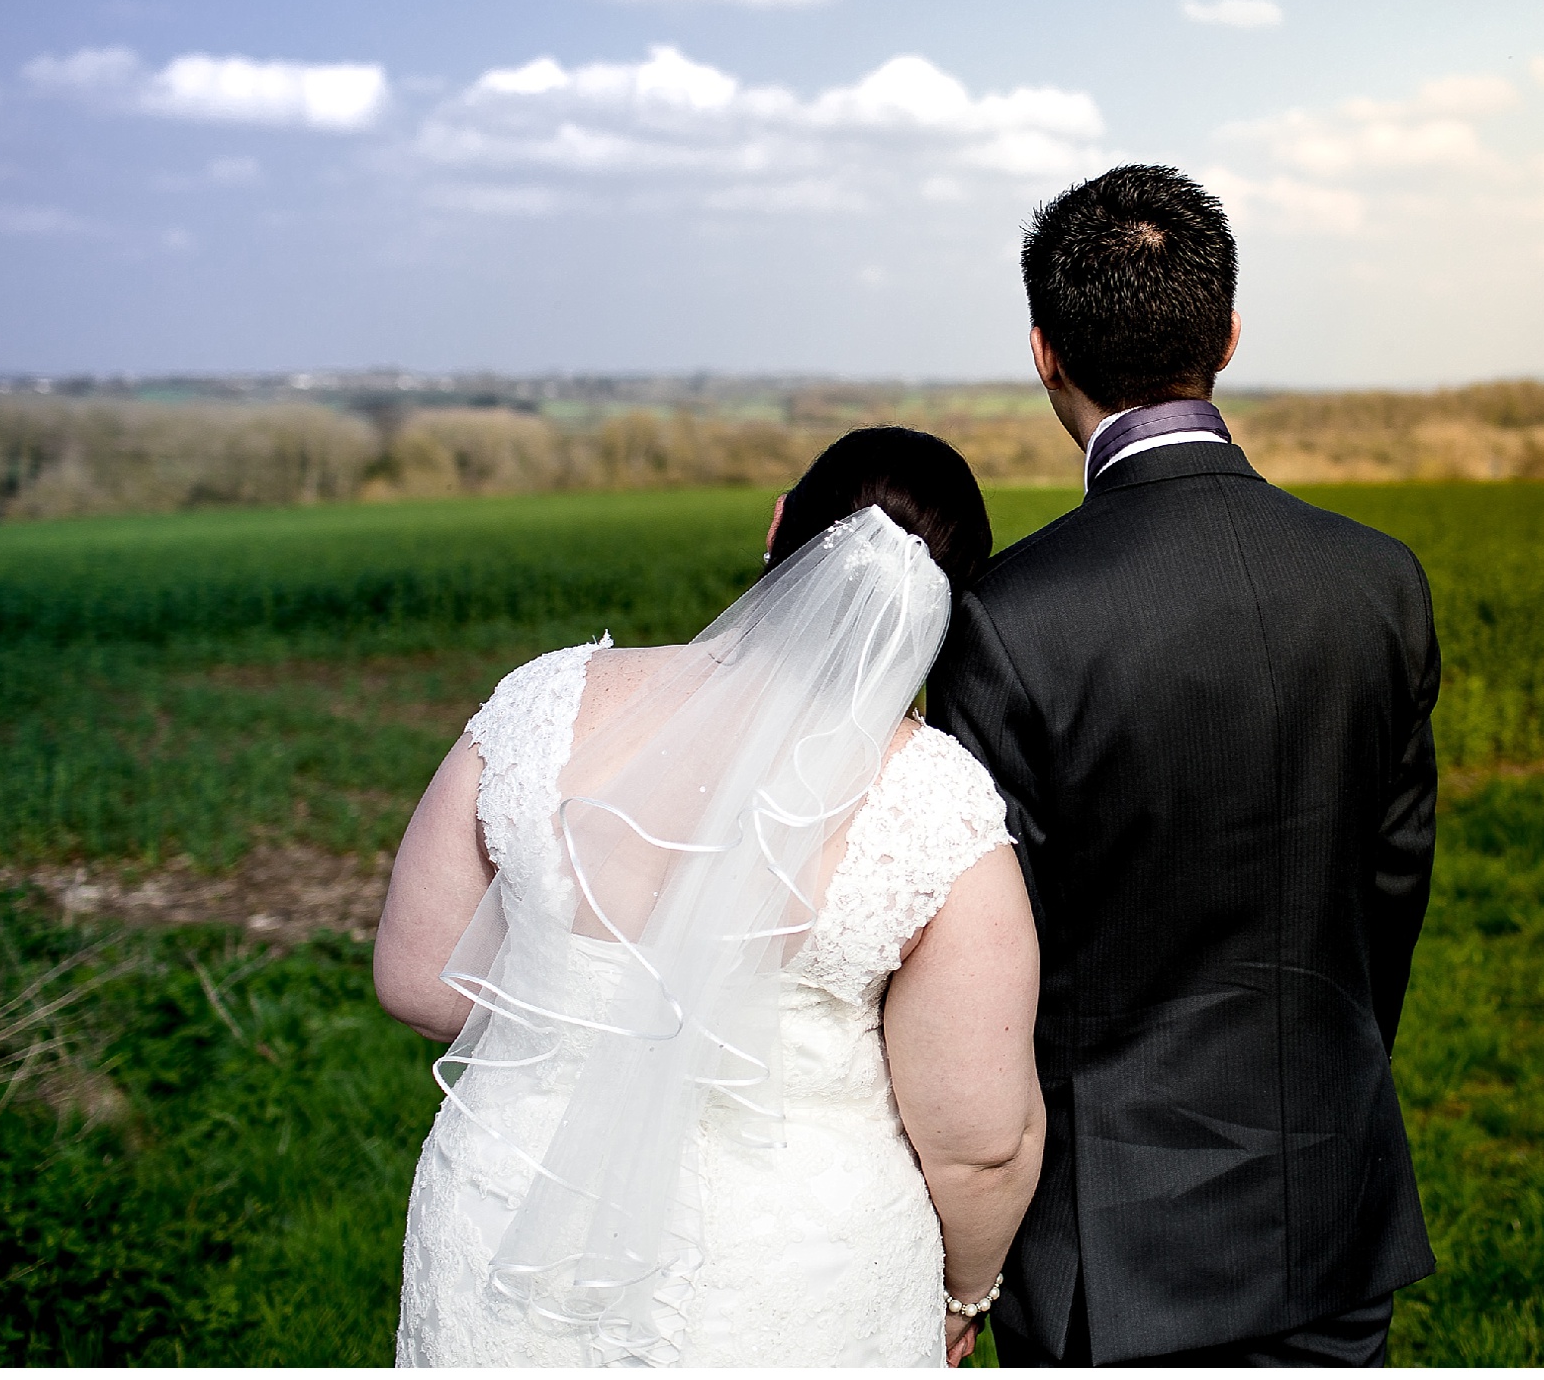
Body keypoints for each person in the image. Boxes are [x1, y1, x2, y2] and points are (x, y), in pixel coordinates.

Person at [376, 427, 1045, 1368]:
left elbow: (419, 981)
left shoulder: (546, 701)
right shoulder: (934, 804)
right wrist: (964, 1293)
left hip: (509, 1217)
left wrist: (584, 1022)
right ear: (945, 609)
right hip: (796, 1270)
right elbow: (981, 1141)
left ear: (777, 525)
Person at [929, 165, 1441, 1366]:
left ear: (1046, 353)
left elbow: (992, 964)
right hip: (1333, 1189)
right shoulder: (1381, 581)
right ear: (1229, 333)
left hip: (1113, 1242)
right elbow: (1390, 892)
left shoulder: (1011, 620)